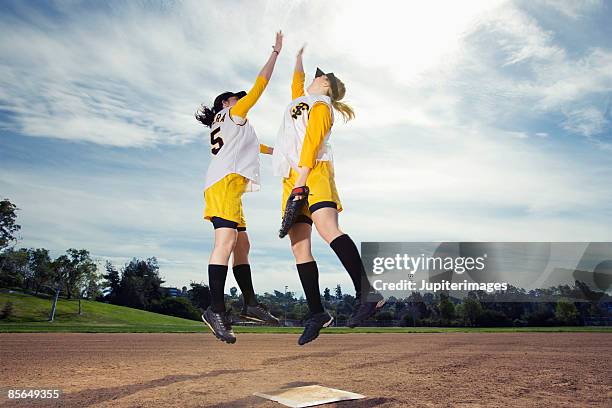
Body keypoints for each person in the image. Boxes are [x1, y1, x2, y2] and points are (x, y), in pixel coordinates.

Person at [272, 46, 385, 346]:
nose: (314, 77)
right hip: (293, 177)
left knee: (327, 228)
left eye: (320, 76)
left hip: (315, 173)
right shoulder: (302, 99)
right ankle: (317, 313)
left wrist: (302, 182)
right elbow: (297, 82)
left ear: (326, 85)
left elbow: (312, 142)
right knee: (299, 248)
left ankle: (368, 294)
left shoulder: (321, 105)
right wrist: (295, 56)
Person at [195, 31, 283, 344]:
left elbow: (254, 147)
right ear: (226, 103)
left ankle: (250, 304)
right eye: (235, 97)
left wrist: (280, 152)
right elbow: (261, 85)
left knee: (242, 245)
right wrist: (275, 54)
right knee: (226, 241)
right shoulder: (232, 113)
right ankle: (215, 309)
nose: (240, 99)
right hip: (223, 185)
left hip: (228, 186)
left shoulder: (229, 123)